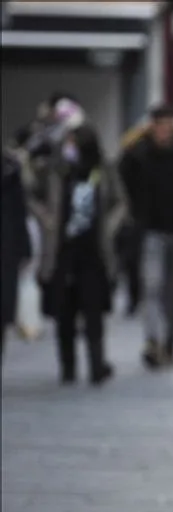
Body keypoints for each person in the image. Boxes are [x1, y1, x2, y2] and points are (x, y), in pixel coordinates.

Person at [119, 104, 173, 370]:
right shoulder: (138, 154)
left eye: (167, 125)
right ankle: (153, 340)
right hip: (150, 230)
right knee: (152, 285)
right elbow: (122, 180)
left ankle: (170, 341)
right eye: (159, 125)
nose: (163, 131)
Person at [40, 125, 125, 385]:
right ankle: (68, 368)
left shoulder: (102, 169)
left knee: (93, 312)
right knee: (64, 312)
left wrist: (108, 228)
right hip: (63, 251)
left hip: (93, 252)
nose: (69, 146)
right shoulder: (57, 170)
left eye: (73, 142)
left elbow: (119, 202)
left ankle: (96, 366)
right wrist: (48, 221)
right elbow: (35, 196)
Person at [1, 147, 33, 362]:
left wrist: (24, 247)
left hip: (6, 247)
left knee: (3, 309)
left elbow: (20, 210)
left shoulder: (10, 168)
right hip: (8, 245)